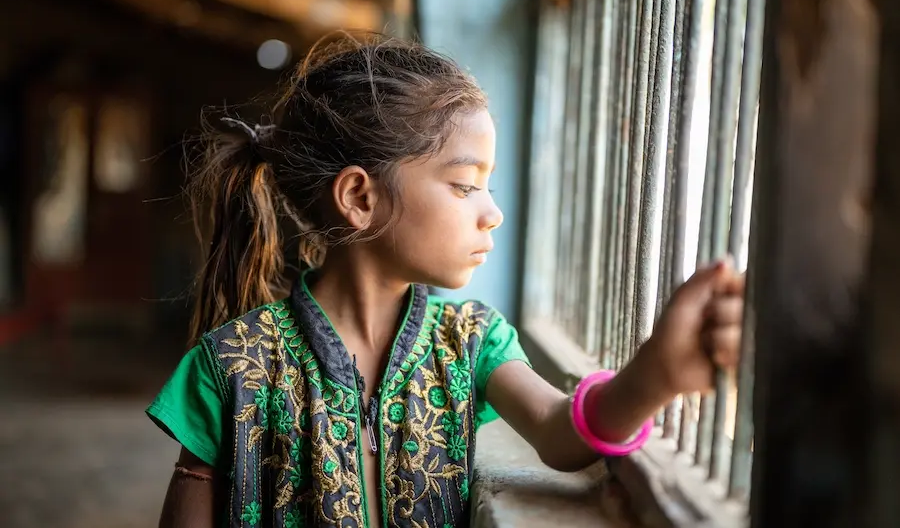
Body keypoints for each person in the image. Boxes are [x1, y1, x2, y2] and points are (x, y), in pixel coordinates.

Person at [147, 33, 744, 528]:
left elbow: (563, 435)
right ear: (359, 196)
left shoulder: (471, 341)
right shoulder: (229, 364)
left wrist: (656, 375)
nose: (492, 212)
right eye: (464, 185)